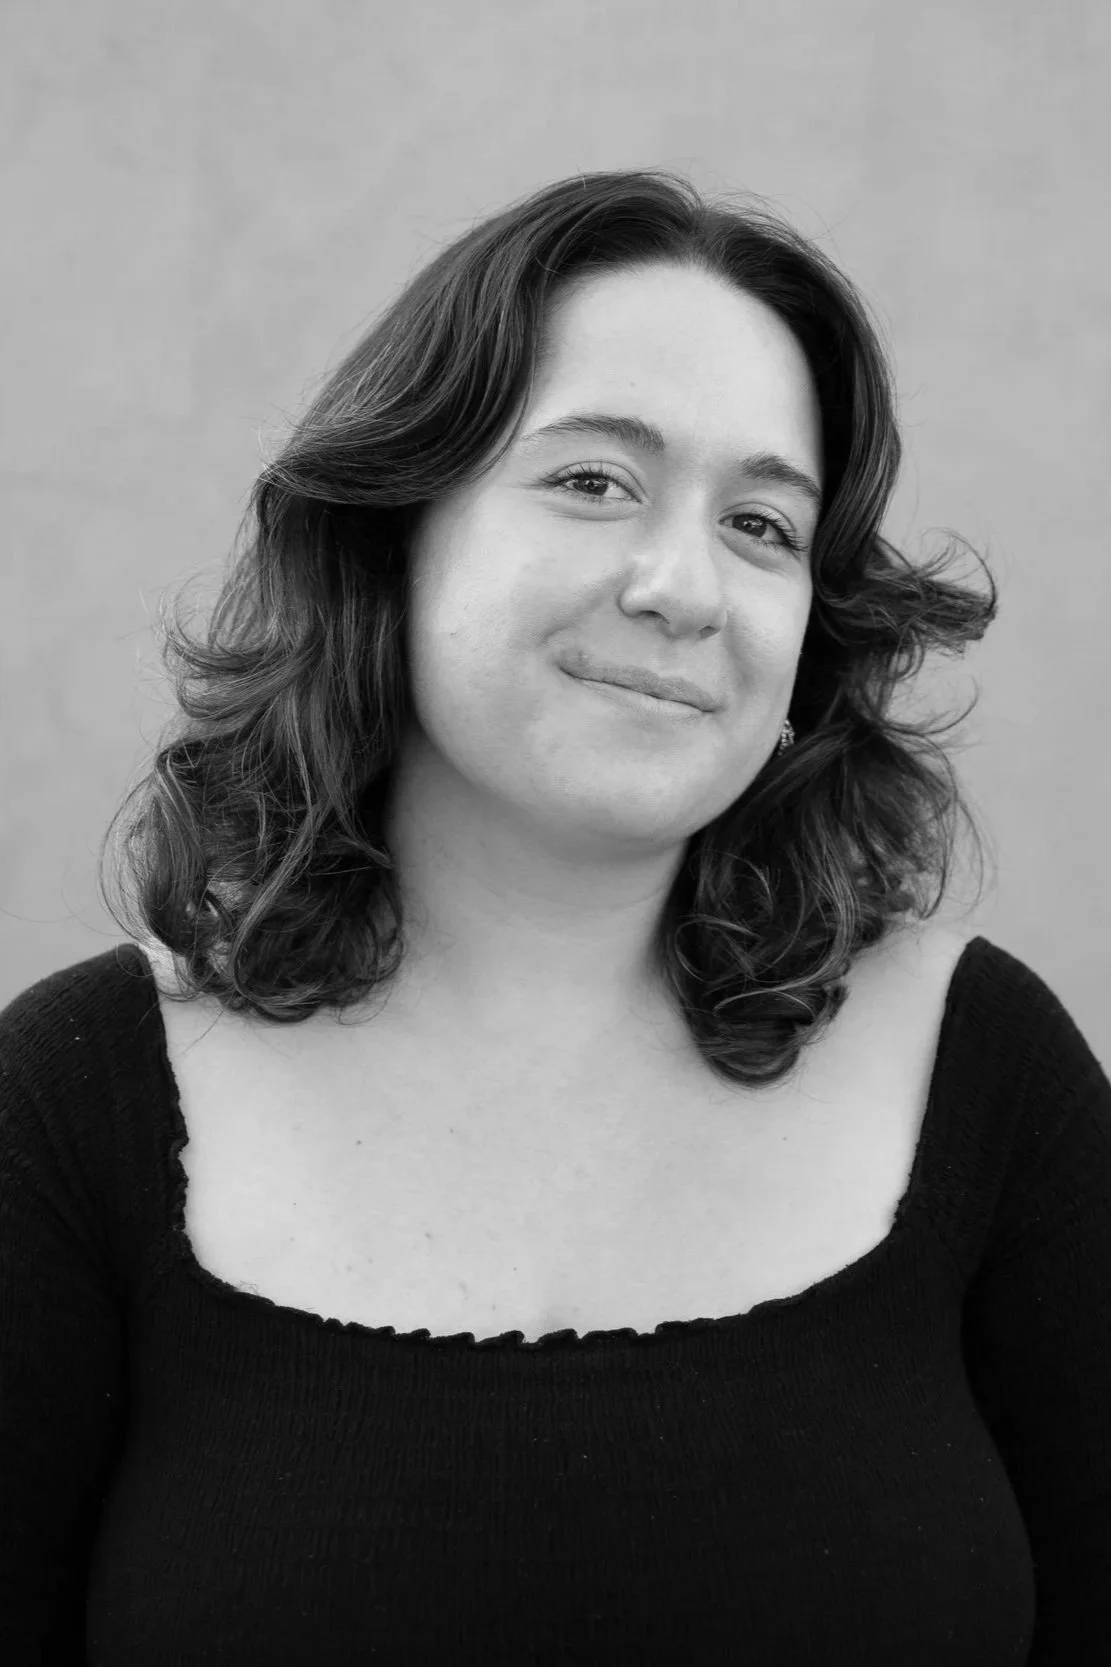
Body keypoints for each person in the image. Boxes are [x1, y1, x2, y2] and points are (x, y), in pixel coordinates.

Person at [2, 168, 1107, 1665]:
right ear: (392, 534)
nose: (685, 588)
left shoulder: (990, 1072)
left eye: (762, 524)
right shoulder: (72, 1098)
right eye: (593, 481)